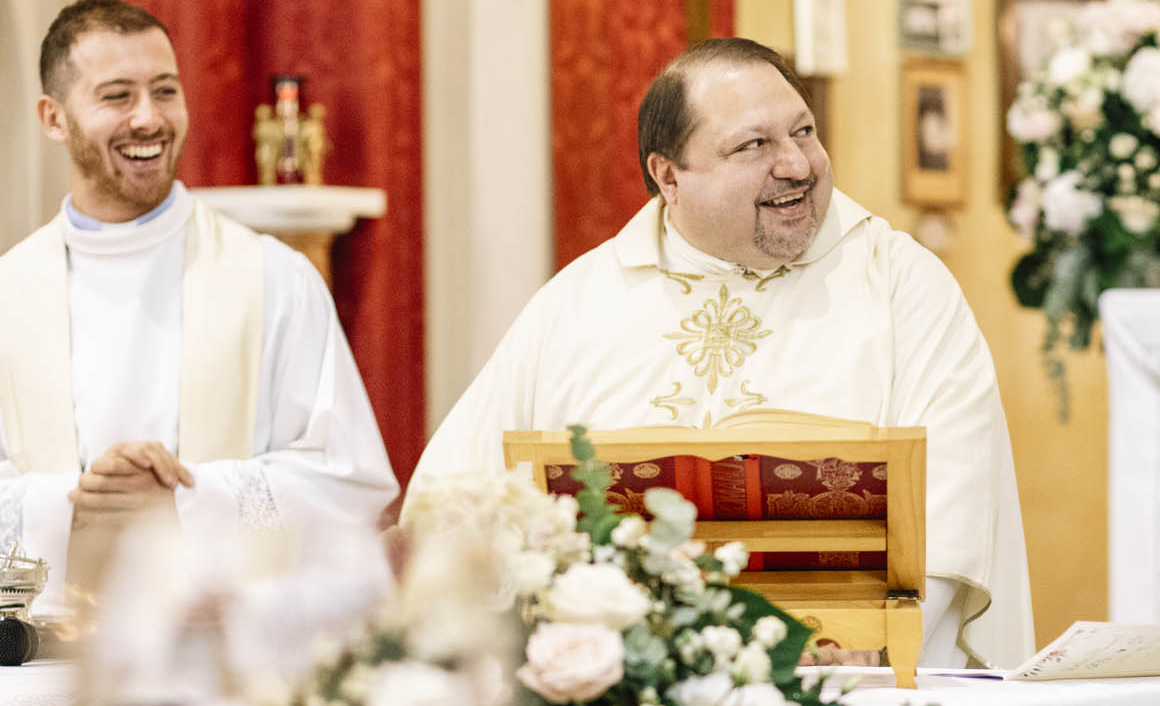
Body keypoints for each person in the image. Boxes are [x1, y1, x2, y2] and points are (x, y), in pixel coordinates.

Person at [410, 37, 1032, 669]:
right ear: (668, 175)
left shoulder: (899, 286)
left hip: (853, 689)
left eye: (804, 131)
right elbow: (454, 504)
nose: (796, 164)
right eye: (753, 145)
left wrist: (874, 652)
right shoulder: (574, 307)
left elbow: (955, 492)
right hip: (629, 704)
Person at [0, 0, 399, 618]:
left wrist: (186, 498)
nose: (149, 119)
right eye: (117, 96)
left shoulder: (275, 282)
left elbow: (347, 482)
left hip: (227, 664)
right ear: (53, 117)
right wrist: (74, 502)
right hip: (48, 669)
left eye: (165, 91)